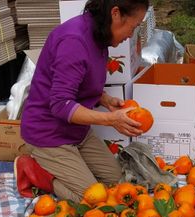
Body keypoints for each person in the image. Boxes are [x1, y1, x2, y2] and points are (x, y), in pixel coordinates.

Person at [14, 0, 149, 200]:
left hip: (76, 131)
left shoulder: (100, 35)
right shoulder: (74, 42)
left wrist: (104, 100)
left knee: (116, 183)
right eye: (134, 26)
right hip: (48, 133)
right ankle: (35, 171)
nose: (131, 35)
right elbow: (61, 104)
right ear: (116, 14)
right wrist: (111, 120)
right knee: (92, 200)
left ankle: (69, 165)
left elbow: (79, 84)